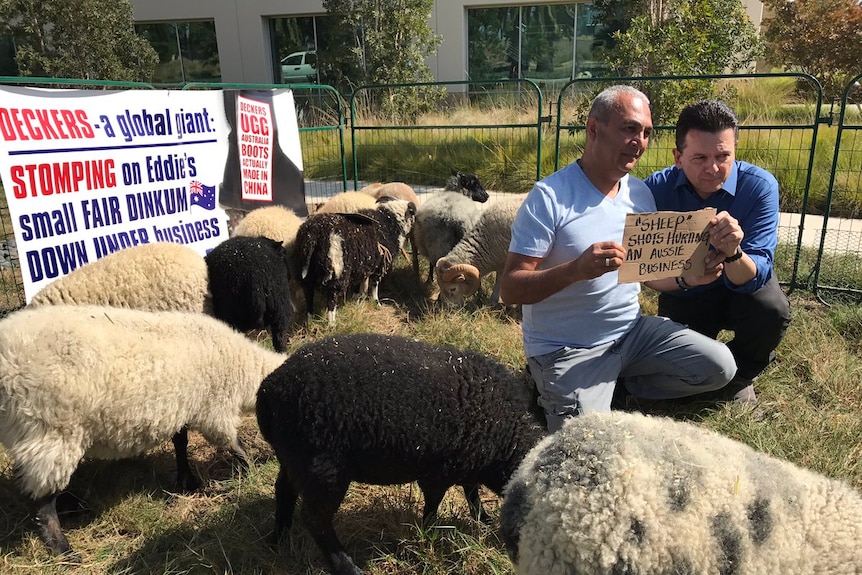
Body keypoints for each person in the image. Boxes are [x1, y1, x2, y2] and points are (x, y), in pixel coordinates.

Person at [499, 85, 737, 432]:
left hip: (632, 333)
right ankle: (560, 385)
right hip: (568, 348)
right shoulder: (549, 198)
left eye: (646, 133)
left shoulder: (639, 193)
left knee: (719, 367)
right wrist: (574, 270)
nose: (639, 141)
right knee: (585, 443)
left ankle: (622, 386)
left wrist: (687, 279)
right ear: (594, 129)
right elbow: (510, 289)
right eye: (629, 128)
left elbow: (645, 275)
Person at [644, 100, 792, 404]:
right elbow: (645, 267)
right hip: (686, 292)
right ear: (678, 157)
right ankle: (710, 371)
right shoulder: (654, 191)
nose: (712, 168)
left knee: (771, 310)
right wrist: (687, 279)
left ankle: (742, 374)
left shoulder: (760, 187)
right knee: (683, 357)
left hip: (741, 288)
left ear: (735, 152)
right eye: (699, 157)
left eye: (723, 156)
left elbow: (756, 274)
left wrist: (733, 252)